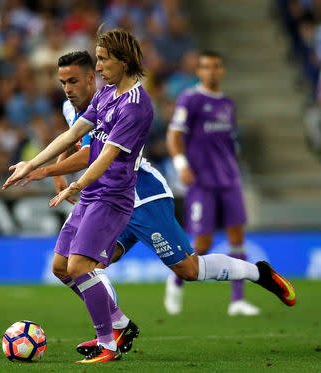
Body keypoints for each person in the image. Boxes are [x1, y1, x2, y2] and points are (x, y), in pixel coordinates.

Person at [20, 50, 297, 358]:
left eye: (73, 81)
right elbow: (74, 138)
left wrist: (47, 170)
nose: (67, 89)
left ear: (91, 79)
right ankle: (116, 327)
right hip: (105, 199)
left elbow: (92, 155)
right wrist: (59, 169)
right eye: (63, 83)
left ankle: (259, 273)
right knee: (78, 267)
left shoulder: (115, 103)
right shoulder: (71, 107)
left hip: (143, 197)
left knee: (189, 270)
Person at [3, 28, 154, 364]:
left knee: (80, 265)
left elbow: (105, 156)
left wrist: (75, 185)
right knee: (61, 267)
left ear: (123, 60)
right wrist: (32, 164)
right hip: (91, 196)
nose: (98, 67)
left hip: (112, 196)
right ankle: (118, 322)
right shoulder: (106, 96)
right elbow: (72, 134)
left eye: (102, 59)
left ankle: (108, 345)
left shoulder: (136, 106)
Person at [166, 50, 260, 315]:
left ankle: (237, 301)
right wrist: (182, 166)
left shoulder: (228, 103)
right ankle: (175, 281)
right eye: (205, 67)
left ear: (222, 70)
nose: (211, 71)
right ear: (199, 71)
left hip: (229, 179)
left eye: (215, 66)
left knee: (237, 238)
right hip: (202, 181)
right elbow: (174, 137)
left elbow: (229, 143)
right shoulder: (190, 99)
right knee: (203, 243)